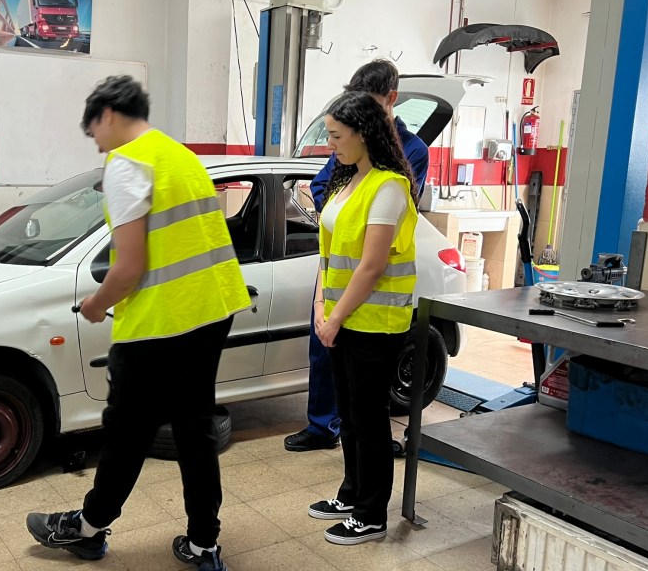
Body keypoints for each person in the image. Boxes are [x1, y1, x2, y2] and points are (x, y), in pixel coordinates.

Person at [25, 75, 250, 571]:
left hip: (159, 323)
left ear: (107, 114)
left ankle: (87, 530)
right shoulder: (179, 156)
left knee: (127, 433)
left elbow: (128, 268)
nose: (97, 145)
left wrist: (96, 304)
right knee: (195, 430)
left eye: (93, 133)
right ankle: (204, 543)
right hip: (212, 311)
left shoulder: (127, 164)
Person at [284, 58, 429, 453]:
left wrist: (348, 214)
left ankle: (365, 481)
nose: (333, 144)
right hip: (336, 282)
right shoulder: (348, 153)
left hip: (372, 301)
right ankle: (323, 428)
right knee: (341, 391)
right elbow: (324, 187)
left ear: (390, 99)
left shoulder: (402, 163)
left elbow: (378, 246)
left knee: (365, 410)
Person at [307, 90, 419, 545]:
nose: (331, 144)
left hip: (374, 324)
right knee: (350, 417)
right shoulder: (349, 181)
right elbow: (329, 256)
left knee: (370, 421)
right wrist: (321, 308)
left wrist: (334, 317)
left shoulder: (389, 187)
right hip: (341, 318)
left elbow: (371, 266)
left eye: (337, 136)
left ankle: (372, 515)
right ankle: (352, 494)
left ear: (364, 133)